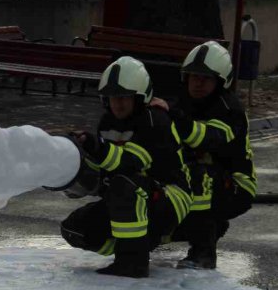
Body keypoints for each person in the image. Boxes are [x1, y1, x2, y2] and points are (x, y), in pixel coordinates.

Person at [60, 56, 193, 278]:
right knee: (74, 229)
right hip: (132, 196)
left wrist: (96, 147)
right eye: (112, 98)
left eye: (124, 97)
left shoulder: (155, 121)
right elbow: (104, 171)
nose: (118, 103)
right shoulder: (107, 122)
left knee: (125, 185)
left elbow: (133, 161)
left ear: (139, 98)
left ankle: (133, 262)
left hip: (171, 197)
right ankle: (140, 243)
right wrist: (73, 165)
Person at [166, 41, 257, 269]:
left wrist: (173, 118)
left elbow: (207, 138)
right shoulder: (182, 102)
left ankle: (203, 253)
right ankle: (207, 227)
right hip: (196, 177)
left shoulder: (229, 110)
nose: (198, 83)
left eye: (206, 78)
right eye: (194, 76)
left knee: (199, 174)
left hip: (235, 186)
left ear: (220, 81)